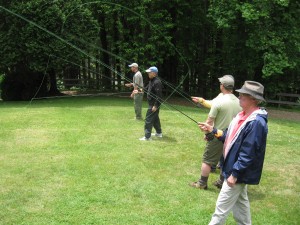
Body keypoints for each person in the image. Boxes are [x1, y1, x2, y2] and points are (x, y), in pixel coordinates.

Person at [199, 81, 268, 225]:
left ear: (253, 99)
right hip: (233, 169)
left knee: (220, 210)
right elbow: (230, 138)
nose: (240, 96)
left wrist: (235, 174)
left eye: (244, 95)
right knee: (241, 208)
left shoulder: (256, 122)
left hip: (236, 172)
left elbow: (248, 153)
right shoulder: (241, 116)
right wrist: (212, 129)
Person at [190, 75, 241, 189]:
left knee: (207, 160)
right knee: (225, 159)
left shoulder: (219, 102)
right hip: (232, 137)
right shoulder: (239, 102)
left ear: (222, 86)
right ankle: (221, 181)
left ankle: (202, 183)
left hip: (218, 135)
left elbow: (209, 122)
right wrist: (201, 101)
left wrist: (207, 134)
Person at [139, 66, 163, 141]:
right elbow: (147, 89)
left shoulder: (157, 82)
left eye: (150, 72)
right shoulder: (151, 80)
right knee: (155, 119)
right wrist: (140, 90)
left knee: (148, 120)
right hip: (152, 104)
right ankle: (159, 133)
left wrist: (155, 105)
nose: (148, 73)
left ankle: (147, 137)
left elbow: (159, 95)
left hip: (153, 105)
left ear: (154, 73)